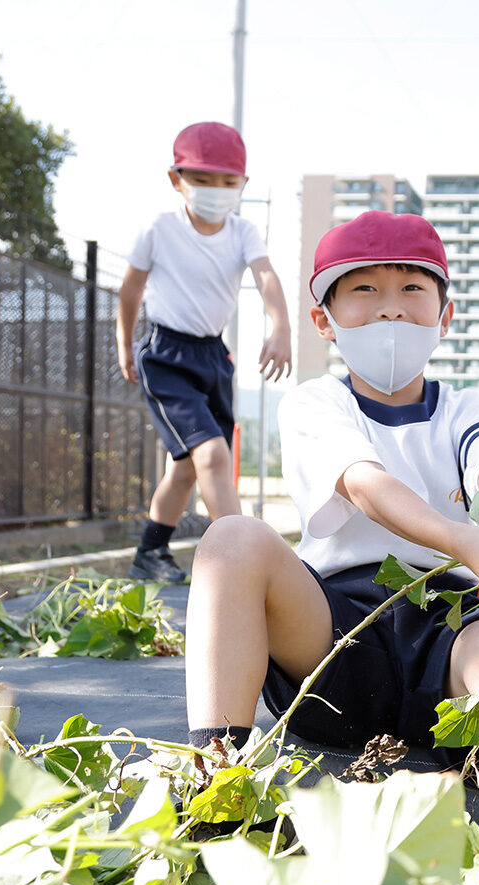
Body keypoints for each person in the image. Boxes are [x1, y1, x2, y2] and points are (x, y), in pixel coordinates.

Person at [184, 211, 479, 885]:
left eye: (411, 291)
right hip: (335, 632)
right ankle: (214, 778)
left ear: (445, 313)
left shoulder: (466, 408)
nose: (391, 313)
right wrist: (462, 536)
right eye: (365, 293)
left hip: (449, 629)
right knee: (232, 538)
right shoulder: (315, 403)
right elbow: (366, 484)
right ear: (326, 320)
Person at [116, 120, 292, 584]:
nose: (216, 190)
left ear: (243, 186)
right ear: (177, 180)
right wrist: (124, 345)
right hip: (166, 356)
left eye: (227, 182)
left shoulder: (242, 232)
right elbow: (130, 290)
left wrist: (281, 327)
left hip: (214, 357)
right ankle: (241, 561)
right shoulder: (160, 229)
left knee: (187, 470)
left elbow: (267, 275)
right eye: (203, 179)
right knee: (212, 455)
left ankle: (149, 554)